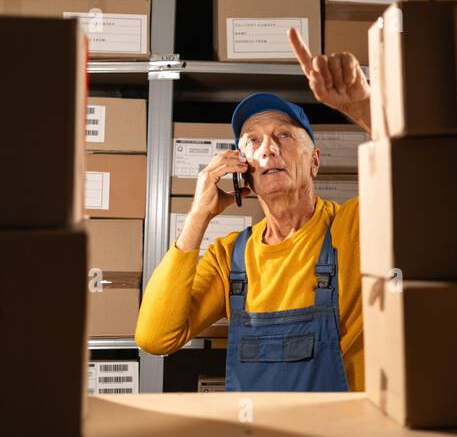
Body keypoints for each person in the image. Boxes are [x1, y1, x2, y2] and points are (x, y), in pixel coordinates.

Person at [134, 27, 371, 391]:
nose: (268, 149)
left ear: (315, 162)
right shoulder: (230, 257)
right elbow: (155, 337)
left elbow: (425, 176)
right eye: (252, 141)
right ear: (241, 168)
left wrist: (362, 109)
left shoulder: (355, 225)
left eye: (284, 136)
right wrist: (199, 215)